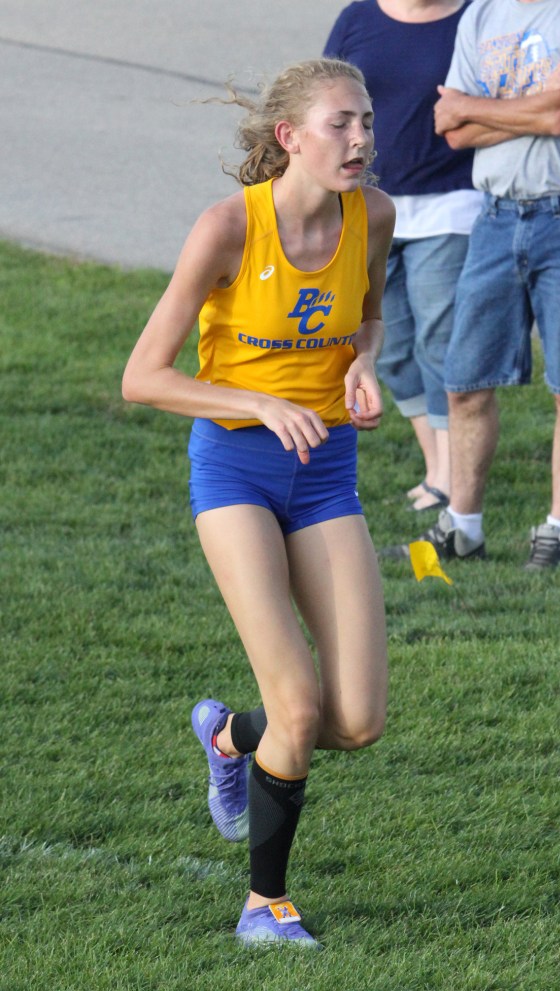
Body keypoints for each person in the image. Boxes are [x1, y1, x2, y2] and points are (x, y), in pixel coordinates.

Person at [122, 58, 395, 946]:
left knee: (356, 720)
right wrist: (259, 402)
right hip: (235, 472)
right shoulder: (228, 228)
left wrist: (362, 364)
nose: (360, 139)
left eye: (365, 121)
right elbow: (142, 377)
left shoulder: (373, 214)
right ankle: (264, 906)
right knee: (300, 703)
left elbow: (368, 315)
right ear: (290, 137)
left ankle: (229, 738)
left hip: (325, 471)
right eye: (340, 124)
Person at [380, 0, 560, 568]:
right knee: (464, 383)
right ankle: (461, 529)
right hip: (494, 218)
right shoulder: (481, 15)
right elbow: (452, 129)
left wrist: (477, 106)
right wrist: (533, 107)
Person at [324, 0, 483, 512]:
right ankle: (438, 464)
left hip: (449, 206)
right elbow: (323, 99)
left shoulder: (474, 16)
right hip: (368, 209)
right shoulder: (358, 19)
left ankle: (447, 477)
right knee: (387, 348)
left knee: (439, 343)